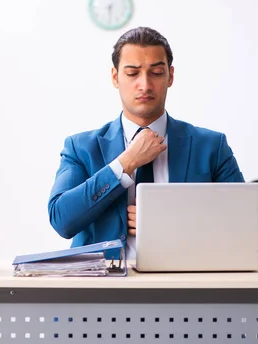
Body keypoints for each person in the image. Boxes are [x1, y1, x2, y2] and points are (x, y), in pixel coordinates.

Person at [48, 26, 244, 259]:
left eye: (156, 73)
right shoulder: (80, 148)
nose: (145, 85)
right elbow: (62, 220)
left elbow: (247, 231)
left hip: (186, 285)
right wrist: (125, 163)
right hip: (106, 289)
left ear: (170, 76)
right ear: (115, 77)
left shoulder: (212, 146)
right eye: (132, 74)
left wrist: (174, 224)